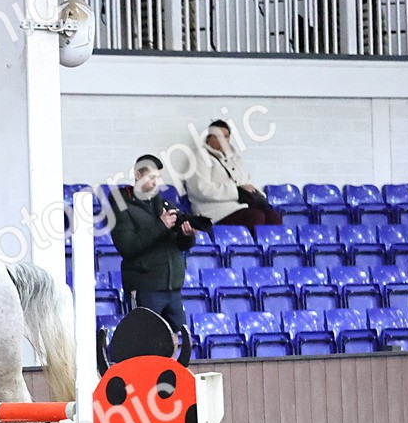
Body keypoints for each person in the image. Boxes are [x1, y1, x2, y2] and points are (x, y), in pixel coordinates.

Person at [110, 154, 196, 338]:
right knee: (145, 339)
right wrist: (161, 225)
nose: (156, 182)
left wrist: (187, 236)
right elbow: (127, 246)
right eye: (151, 177)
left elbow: (179, 245)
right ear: (138, 175)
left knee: (174, 337)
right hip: (145, 286)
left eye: (158, 177)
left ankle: (169, 368)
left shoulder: (164, 203)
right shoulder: (121, 205)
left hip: (172, 286)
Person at [185, 119, 282, 231]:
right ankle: (247, 248)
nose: (223, 140)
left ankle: (275, 248)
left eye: (226, 136)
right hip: (213, 210)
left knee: (273, 217)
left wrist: (255, 194)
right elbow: (200, 189)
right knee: (255, 217)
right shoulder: (200, 158)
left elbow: (245, 182)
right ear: (209, 138)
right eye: (218, 137)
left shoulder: (235, 158)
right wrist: (236, 191)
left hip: (239, 206)